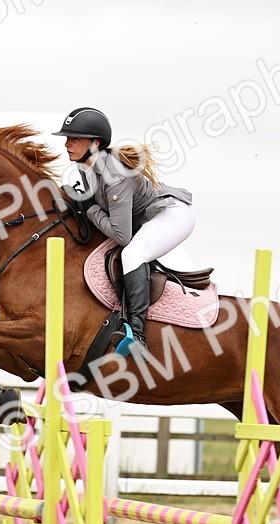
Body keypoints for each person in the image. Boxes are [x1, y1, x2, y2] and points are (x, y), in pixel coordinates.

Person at [53, 107, 194, 355]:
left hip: (173, 215)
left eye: (74, 138)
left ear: (95, 143)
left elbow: (121, 235)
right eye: (67, 138)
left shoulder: (113, 174)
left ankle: (136, 333)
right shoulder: (86, 166)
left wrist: (89, 208)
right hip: (146, 218)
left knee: (132, 254)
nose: (67, 143)